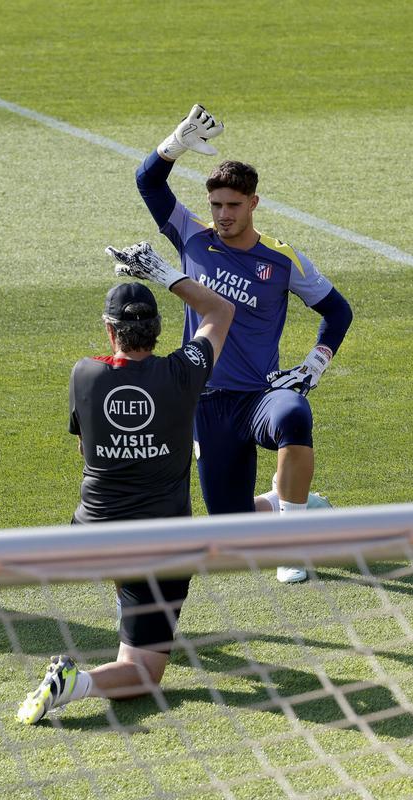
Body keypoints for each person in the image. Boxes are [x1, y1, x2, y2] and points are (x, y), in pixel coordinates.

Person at [16, 241, 234, 725]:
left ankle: (129, 616)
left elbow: (84, 449)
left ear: (109, 330)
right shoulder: (184, 371)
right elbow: (219, 310)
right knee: (142, 675)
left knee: (124, 563)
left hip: (90, 536)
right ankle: (79, 682)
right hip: (163, 546)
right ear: (158, 330)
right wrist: (165, 272)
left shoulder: (86, 374)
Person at [136, 105, 353, 584]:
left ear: (253, 203)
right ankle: (290, 504)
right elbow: (148, 182)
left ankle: (293, 544)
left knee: (295, 415)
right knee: (229, 527)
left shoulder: (280, 258)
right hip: (207, 401)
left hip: (260, 394)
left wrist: (315, 363)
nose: (222, 215)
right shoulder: (193, 237)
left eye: (233, 205)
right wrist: (173, 145)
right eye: (216, 205)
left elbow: (338, 311)